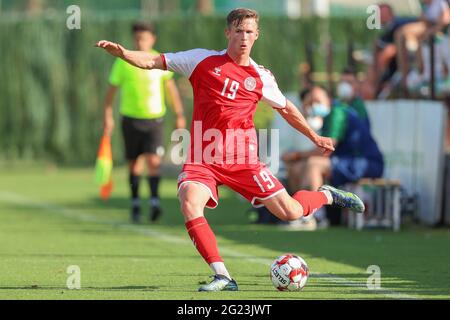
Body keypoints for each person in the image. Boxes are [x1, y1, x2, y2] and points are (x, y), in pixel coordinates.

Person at [96, 8, 365, 292]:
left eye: (249, 32)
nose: (244, 38)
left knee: (291, 212)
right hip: (203, 157)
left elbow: (286, 108)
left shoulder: (261, 77)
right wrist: (125, 53)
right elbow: (154, 61)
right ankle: (223, 276)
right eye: (238, 31)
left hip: (243, 160)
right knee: (189, 201)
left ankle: (326, 195)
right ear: (228, 33)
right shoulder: (201, 60)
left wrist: (314, 136)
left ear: (257, 36)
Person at [102, 22, 186, 224]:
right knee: (134, 164)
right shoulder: (123, 61)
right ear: (134, 39)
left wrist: (179, 114)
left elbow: (171, 89)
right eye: (138, 37)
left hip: (154, 119)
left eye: (145, 37)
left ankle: (155, 202)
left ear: (152, 39)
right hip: (130, 119)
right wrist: (107, 115)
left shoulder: (159, 60)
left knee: (154, 162)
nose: (141, 41)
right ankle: (136, 203)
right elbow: (111, 92)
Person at [282, 86, 384, 192]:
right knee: (296, 167)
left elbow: (326, 150)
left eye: (317, 101)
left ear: (329, 99)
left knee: (313, 164)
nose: (313, 106)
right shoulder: (327, 116)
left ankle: (317, 208)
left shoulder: (337, 113)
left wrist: (296, 155)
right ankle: (297, 207)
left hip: (365, 163)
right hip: (346, 161)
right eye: (310, 103)